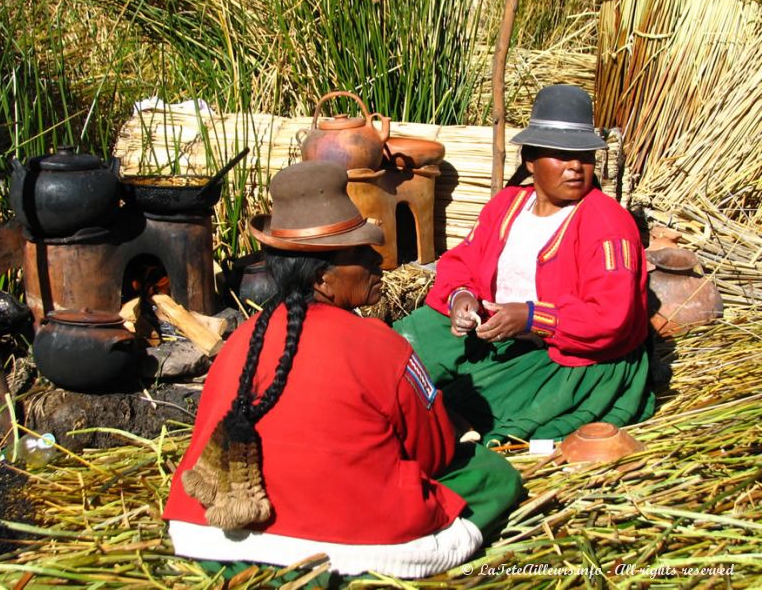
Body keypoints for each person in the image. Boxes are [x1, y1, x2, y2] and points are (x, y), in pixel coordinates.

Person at [163, 161, 522, 578]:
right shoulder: (381, 345)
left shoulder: (241, 342)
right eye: (360, 254)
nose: (380, 263)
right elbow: (434, 454)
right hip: (350, 543)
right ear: (322, 279)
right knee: (491, 475)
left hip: (213, 533)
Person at [395, 85, 654, 445]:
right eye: (561, 156)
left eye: (584, 156)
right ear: (531, 159)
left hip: (570, 354)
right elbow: (462, 261)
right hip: (494, 327)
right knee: (398, 348)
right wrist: (461, 299)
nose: (576, 166)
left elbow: (611, 318)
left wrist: (533, 317)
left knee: (469, 405)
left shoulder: (608, 225)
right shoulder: (508, 205)